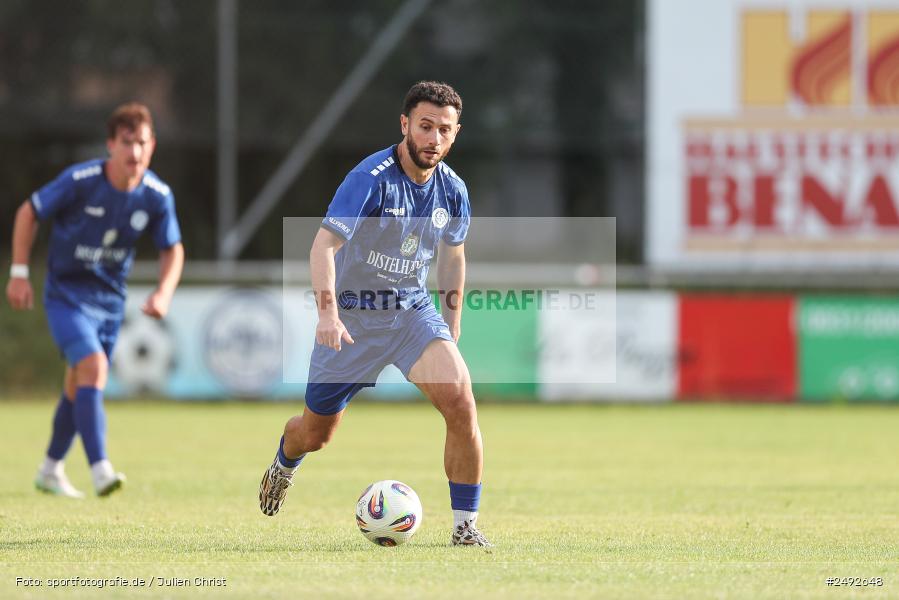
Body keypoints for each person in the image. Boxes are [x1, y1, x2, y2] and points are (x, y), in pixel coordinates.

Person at [259, 81, 491, 547]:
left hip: (410, 315)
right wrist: (327, 316)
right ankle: (285, 460)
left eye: (444, 130)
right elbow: (324, 245)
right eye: (425, 127)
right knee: (315, 433)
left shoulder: (453, 191)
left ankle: (465, 529)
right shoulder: (371, 178)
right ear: (405, 125)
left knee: (461, 402)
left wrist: (452, 322)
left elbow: (453, 257)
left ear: (456, 133)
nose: (433, 139)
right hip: (352, 322)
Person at [6, 102, 184, 498]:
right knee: (93, 366)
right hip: (66, 295)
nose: (134, 152)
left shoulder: (157, 195)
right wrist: (18, 272)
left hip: (109, 302)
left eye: (141, 143)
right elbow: (28, 212)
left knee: (78, 381)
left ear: (152, 145)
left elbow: (173, 249)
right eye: (126, 142)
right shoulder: (80, 180)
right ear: (110, 145)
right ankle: (100, 467)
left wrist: (164, 292)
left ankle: (50, 468)